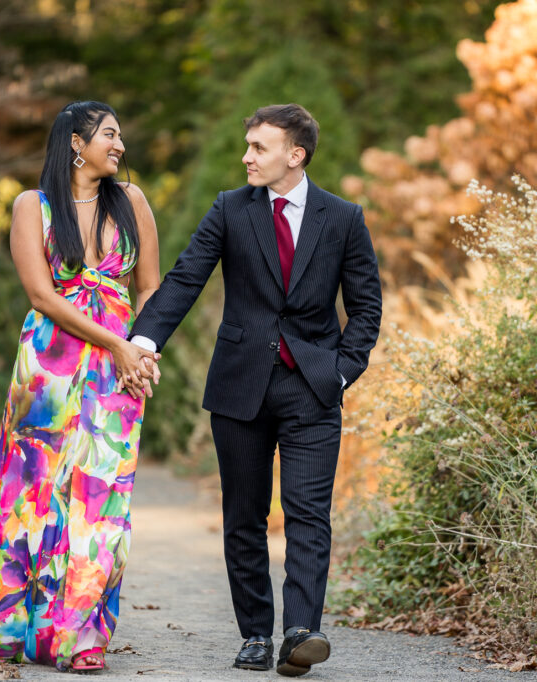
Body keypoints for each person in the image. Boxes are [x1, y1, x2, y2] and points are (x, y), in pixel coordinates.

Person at [130, 103, 382, 676]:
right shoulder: (230, 209)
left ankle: (300, 632)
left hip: (313, 388)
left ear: (295, 155)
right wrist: (144, 341)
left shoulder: (343, 218)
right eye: (247, 146)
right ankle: (254, 635)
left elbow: (366, 307)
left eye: (258, 148)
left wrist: (342, 370)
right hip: (240, 385)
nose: (246, 156)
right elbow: (186, 278)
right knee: (243, 516)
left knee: (308, 514)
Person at [0, 100, 160, 673]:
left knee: (102, 499)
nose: (120, 144)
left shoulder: (132, 202)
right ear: (75, 143)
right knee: (33, 492)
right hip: (48, 369)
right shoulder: (33, 205)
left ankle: (79, 637)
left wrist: (140, 349)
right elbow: (42, 296)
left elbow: (151, 286)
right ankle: (11, 624)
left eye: (121, 134)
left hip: (117, 370)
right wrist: (115, 342)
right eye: (109, 134)